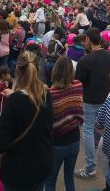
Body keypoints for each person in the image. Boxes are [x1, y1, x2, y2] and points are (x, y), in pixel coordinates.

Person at [0, 51, 53, 191]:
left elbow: (2, 143)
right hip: (41, 165)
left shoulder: (14, 101)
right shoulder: (46, 95)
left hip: (17, 171)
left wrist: (13, 97)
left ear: (17, 70)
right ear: (38, 69)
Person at [74, 27, 110, 180]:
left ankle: (90, 168)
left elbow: (78, 82)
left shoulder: (85, 60)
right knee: (107, 131)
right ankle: (109, 166)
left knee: (87, 131)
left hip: (90, 101)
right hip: (107, 99)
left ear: (87, 40)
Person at [45, 56, 83, 191]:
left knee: (50, 180)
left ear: (55, 71)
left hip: (56, 144)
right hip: (74, 140)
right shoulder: (78, 85)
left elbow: (47, 122)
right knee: (69, 178)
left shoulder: (49, 93)